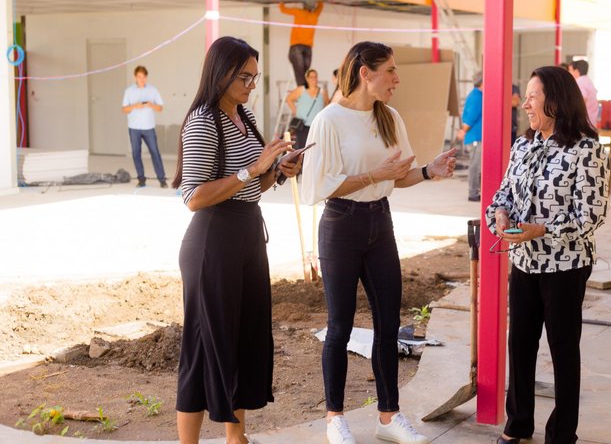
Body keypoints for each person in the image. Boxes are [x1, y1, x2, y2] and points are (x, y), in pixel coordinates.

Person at [301, 41, 457, 444]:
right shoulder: (329, 121)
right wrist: (375, 174)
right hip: (341, 224)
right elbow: (319, 185)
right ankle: (335, 419)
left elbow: (397, 175)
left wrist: (427, 170)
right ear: (364, 72)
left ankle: (388, 418)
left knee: (389, 324)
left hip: (379, 222)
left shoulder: (389, 117)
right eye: (389, 70)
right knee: (340, 327)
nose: (396, 79)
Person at [172, 36, 300, 444]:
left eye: (254, 77)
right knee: (203, 343)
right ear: (220, 73)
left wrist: (277, 171)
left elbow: (249, 187)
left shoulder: (242, 116)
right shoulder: (203, 120)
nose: (250, 84)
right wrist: (253, 169)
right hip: (213, 239)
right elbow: (193, 196)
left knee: (244, 336)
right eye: (244, 76)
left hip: (245, 234)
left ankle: (235, 437)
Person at [485, 66, 609, 444]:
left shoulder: (586, 149)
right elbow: (502, 194)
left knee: (562, 349)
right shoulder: (523, 144)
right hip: (524, 261)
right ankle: (518, 424)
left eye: (532, 96)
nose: (525, 104)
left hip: (566, 265)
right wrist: (500, 215)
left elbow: (592, 215)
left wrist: (543, 230)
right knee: (520, 344)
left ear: (554, 100)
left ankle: (562, 433)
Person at [121, 65, 167, 188]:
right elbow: (124, 109)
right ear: (135, 77)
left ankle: (162, 179)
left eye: (144, 77)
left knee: (155, 153)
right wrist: (135, 106)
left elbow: (160, 108)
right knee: (136, 154)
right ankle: (141, 179)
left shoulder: (153, 90)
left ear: (146, 77)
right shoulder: (129, 91)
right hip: (134, 128)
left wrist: (152, 105)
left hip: (149, 128)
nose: (141, 79)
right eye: (139, 77)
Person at [279, 0, 324, 87]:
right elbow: (320, 6)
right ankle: (305, 90)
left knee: (301, 72)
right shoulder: (314, 15)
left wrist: (282, 1)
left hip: (297, 46)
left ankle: (304, 89)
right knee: (305, 71)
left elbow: (283, 9)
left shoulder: (299, 12)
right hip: (306, 47)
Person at [285, 68, 330, 149]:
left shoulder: (322, 91)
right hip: (303, 125)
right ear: (307, 78)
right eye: (311, 77)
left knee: (317, 148)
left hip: (317, 125)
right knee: (303, 147)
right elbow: (289, 99)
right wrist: (295, 111)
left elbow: (327, 105)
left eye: (315, 77)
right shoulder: (301, 90)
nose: (314, 79)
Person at [459, 72, 483, 202]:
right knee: (475, 165)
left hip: (475, 136)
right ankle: (473, 193)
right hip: (475, 137)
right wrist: (463, 131)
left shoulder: (475, 95)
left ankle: (476, 191)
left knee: (476, 165)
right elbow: (470, 118)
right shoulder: (477, 97)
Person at [568, 60, 599, 126]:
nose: (569, 73)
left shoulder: (580, 82)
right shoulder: (587, 80)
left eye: (570, 71)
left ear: (576, 71)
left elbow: (581, 100)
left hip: (583, 123)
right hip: (591, 121)